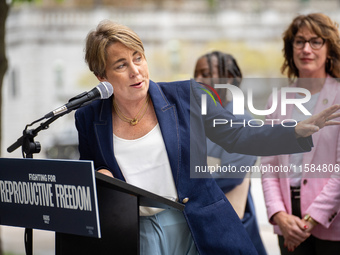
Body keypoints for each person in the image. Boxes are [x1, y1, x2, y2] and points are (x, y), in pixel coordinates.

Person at [75, 19, 340, 255]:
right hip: (135, 231)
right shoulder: (88, 117)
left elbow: (239, 134)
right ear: (102, 77)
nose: (136, 71)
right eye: (121, 65)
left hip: (196, 226)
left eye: (138, 58)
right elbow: (92, 169)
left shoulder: (186, 96)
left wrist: (294, 131)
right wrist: (101, 173)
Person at [261, 13, 340, 255]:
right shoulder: (276, 101)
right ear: (291, 49)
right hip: (287, 224)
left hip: (332, 224)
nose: (306, 48)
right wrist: (279, 215)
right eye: (299, 41)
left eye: (316, 41)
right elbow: (268, 166)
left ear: (329, 49)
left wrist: (312, 218)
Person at [194, 50, 267, 255]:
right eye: (196, 74)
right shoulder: (196, 121)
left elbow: (227, 178)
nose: (198, 80)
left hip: (234, 234)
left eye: (206, 74)